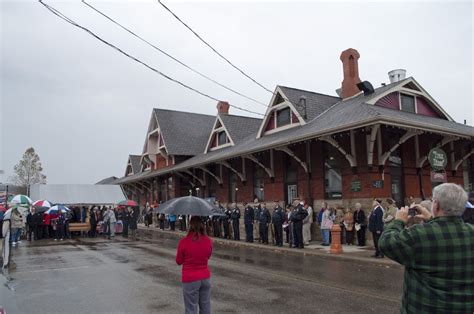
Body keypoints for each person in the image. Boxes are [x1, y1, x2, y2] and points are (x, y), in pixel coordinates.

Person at [379, 183, 474, 313]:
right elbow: (444, 233)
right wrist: (431, 218)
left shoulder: (419, 234)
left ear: (436, 205)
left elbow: (386, 243)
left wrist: (398, 221)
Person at [176, 216, 213, 314]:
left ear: (190, 226)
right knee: (205, 307)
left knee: (191, 308)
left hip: (190, 278)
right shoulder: (208, 241)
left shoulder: (184, 242)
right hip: (205, 277)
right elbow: (208, 256)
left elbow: (179, 261)